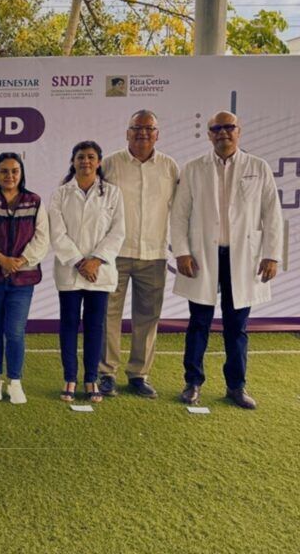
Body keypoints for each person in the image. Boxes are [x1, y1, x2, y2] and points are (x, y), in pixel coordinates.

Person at [171, 111, 282, 409]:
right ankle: (192, 382)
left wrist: (272, 255)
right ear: (209, 134)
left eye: (228, 127)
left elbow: (272, 214)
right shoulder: (194, 168)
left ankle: (236, 386)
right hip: (203, 256)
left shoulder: (258, 167)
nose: (223, 133)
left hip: (242, 257)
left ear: (239, 131)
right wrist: (181, 251)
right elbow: (180, 214)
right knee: (199, 323)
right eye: (216, 128)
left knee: (237, 326)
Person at [99, 110, 179, 398]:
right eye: (137, 128)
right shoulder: (110, 164)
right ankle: (106, 373)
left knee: (147, 316)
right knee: (109, 314)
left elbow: (180, 211)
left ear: (157, 133)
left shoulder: (170, 167)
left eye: (149, 128)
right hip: (115, 253)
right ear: (127, 133)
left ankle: (138, 374)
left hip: (154, 254)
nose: (143, 133)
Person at [0, 152, 50, 404]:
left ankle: (15, 382)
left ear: (21, 173)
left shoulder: (34, 201)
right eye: (4, 171)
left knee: (15, 332)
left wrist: (20, 261)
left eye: (14, 171)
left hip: (22, 280)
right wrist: (0, 259)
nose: (9, 176)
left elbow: (42, 237)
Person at [49, 141, 125, 403]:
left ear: (99, 162)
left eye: (91, 157)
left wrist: (95, 261)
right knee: (69, 325)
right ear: (73, 161)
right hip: (70, 272)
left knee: (95, 327)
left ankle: (91, 379)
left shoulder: (113, 194)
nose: (86, 162)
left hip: (99, 273)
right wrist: (80, 262)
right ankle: (69, 378)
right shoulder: (60, 194)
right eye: (80, 157)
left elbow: (117, 232)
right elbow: (57, 233)